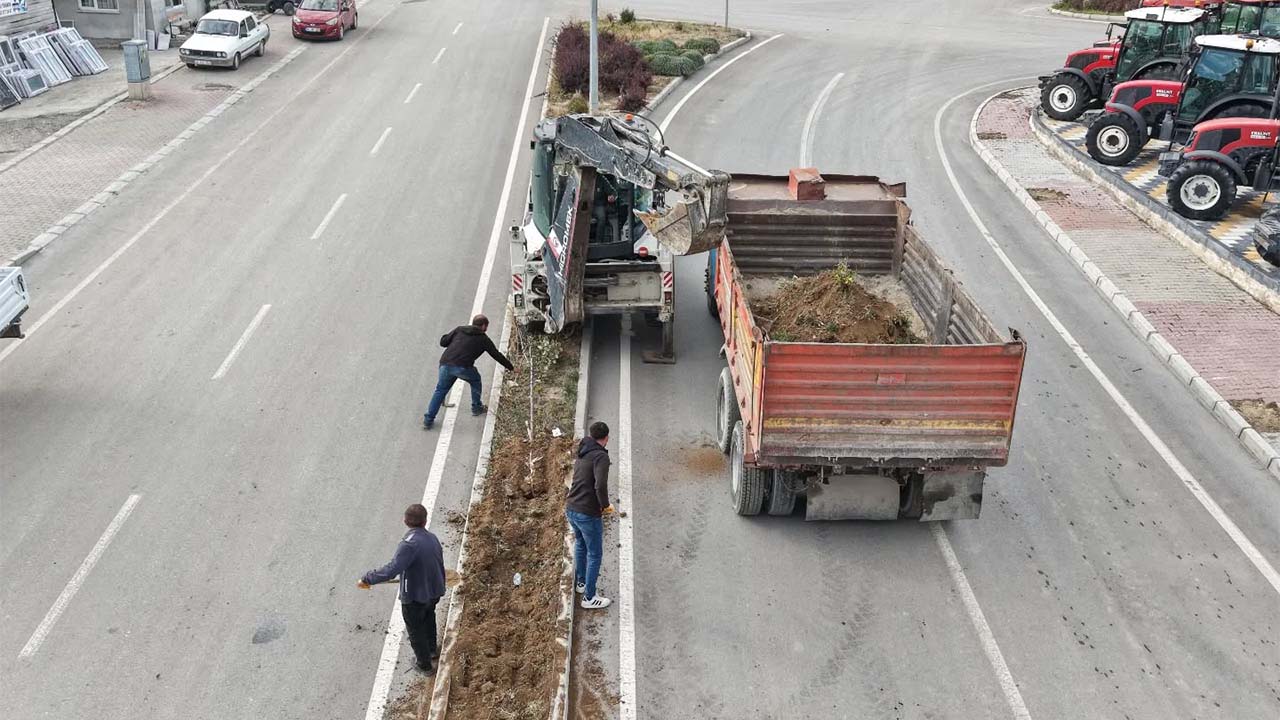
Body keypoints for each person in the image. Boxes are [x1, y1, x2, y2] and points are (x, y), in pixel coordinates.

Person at [358, 504, 446, 673]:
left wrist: (368, 578)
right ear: (425, 521)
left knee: (415, 630)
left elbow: (391, 570)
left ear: (405, 521)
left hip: (415, 597)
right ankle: (431, 649)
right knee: (429, 618)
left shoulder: (408, 545)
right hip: (434, 591)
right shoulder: (432, 538)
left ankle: (424, 665)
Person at [423, 314, 514, 430]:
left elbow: (443, 342)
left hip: (445, 364)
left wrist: (448, 336)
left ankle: (428, 419)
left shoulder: (460, 329)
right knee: (476, 380)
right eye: (486, 326)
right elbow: (496, 355)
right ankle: (476, 407)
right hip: (462, 367)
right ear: (484, 325)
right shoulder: (483, 339)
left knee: (440, 390)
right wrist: (511, 368)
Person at [565, 421, 614, 609]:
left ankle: (581, 583)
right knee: (595, 554)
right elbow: (600, 485)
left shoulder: (583, 450)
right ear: (606, 438)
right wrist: (605, 506)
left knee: (581, 544)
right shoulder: (600, 457)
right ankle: (589, 597)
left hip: (571, 507)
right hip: (587, 512)